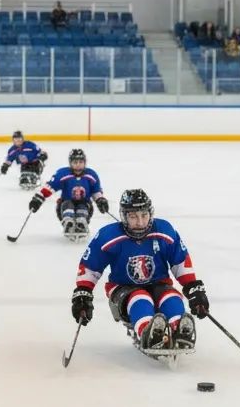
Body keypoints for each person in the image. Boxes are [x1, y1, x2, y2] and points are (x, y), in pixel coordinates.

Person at [70, 189, 209, 352]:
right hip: (123, 289)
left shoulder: (164, 230)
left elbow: (180, 262)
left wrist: (193, 288)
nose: (140, 222)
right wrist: (83, 293)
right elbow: (90, 266)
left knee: (171, 296)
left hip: (159, 284)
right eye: (133, 216)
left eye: (144, 215)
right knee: (140, 297)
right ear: (124, 216)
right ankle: (149, 333)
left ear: (151, 213)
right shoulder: (108, 236)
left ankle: (180, 329)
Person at [29, 148, 109, 236]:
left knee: (83, 206)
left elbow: (96, 191)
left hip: (86, 204)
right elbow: (50, 187)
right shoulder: (62, 174)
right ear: (70, 163)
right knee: (68, 204)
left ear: (85, 162)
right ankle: (68, 222)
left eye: (80, 162)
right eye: (75, 162)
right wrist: (38, 199)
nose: (78, 165)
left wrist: (100, 200)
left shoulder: (91, 175)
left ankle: (81, 223)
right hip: (65, 204)